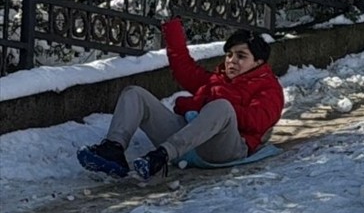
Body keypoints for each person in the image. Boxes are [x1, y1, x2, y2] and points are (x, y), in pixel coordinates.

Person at [76, 18, 285, 180]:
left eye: (241, 56)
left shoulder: (268, 87)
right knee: (135, 94)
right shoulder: (217, 79)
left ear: (258, 62)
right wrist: (170, 24)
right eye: (229, 54)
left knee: (222, 107)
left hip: (224, 149)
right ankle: (114, 149)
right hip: (190, 141)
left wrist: (206, 104)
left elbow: (256, 121)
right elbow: (183, 67)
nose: (232, 61)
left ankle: (162, 155)